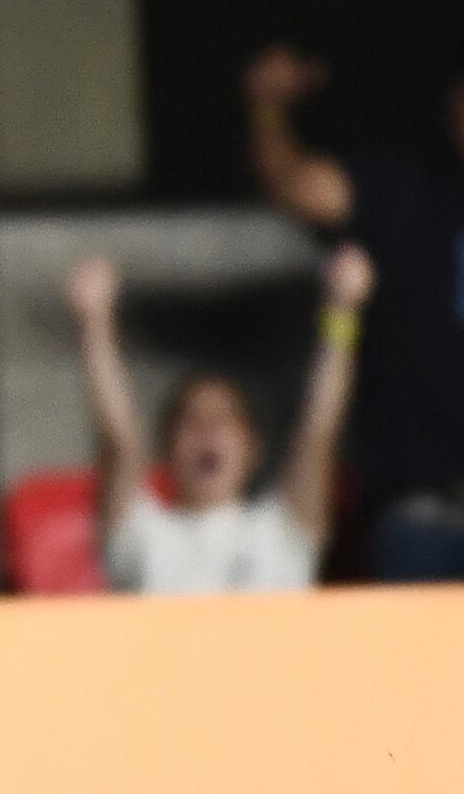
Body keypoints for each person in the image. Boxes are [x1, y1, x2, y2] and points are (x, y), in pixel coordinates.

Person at [247, 46, 464, 581]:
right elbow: (297, 186)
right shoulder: (409, 197)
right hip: (428, 525)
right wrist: (267, 104)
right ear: (451, 115)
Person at [64, 246, 371, 594]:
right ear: (165, 449)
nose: (208, 431)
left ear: (254, 450)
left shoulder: (284, 529)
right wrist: (94, 324)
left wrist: (343, 312)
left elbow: (319, 428)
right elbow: (117, 437)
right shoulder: (141, 535)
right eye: (191, 421)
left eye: (226, 420)